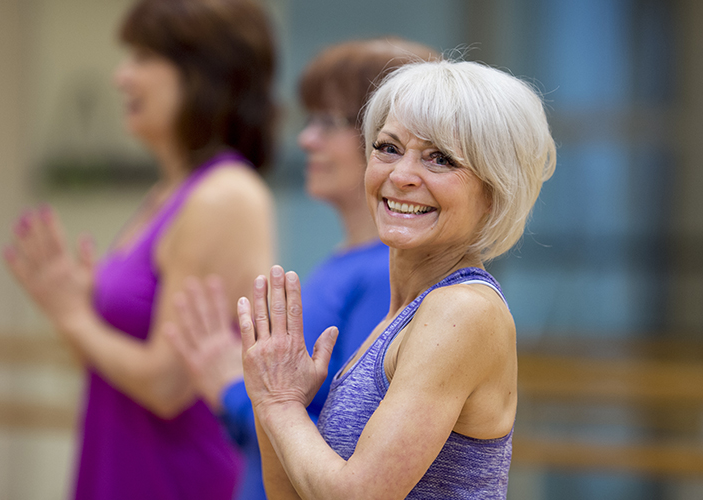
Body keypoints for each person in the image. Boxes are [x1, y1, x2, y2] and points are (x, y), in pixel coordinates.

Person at [236, 60, 557, 499]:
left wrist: (280, 404)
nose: (401, 175)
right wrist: (269, 397)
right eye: (388, 148)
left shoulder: (462, 310)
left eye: (439, 159)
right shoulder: (401, 315)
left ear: (493, 194)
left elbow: (359, 496)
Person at [2, 0, 276, 498]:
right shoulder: (168, 193)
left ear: (203, 73)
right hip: (117, 463)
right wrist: (80, 308)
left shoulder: (224, 195)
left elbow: (167, 386)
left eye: (144, 57)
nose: (122, 77)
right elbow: (111, 359)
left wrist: (72, 317)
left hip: (172, 479)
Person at [167, 37, 438, 500]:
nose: (306, 139)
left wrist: (232, 388)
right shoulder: (351, 262)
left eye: (328, 122)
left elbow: (345, 449)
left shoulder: (384, 274)